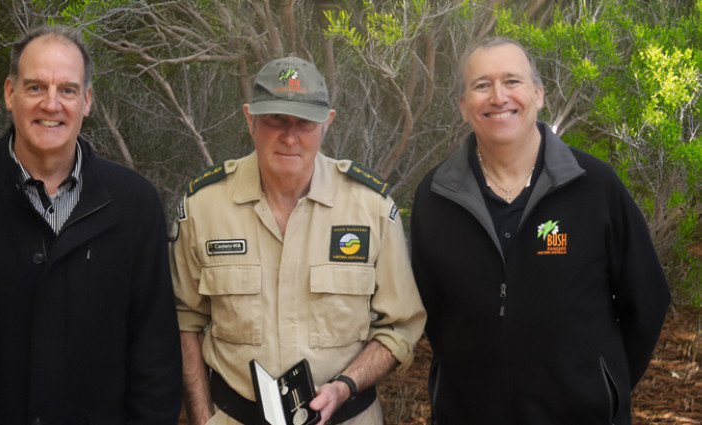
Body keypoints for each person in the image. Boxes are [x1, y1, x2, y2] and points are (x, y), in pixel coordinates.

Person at [0, 26, 182, 424]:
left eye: (68, 90)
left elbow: (155, 359)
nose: (51, 104)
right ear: (10, 93)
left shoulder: (135, 206)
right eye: (36, 87)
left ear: (87, 101)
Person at [410, 36, 671, 425]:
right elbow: (430, 312)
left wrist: (603, 387)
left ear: (538, 94)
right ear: (464, 107)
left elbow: (646, 301)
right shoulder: (436, 197)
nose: (498, 96)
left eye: (512, 81)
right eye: (482, 85)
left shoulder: (595, 186)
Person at [170, 56, 426, 425]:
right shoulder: (204, 208)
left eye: (304, 122)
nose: (290, 136)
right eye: (276, 119)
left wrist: (345, 386)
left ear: (327, 123)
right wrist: (199, 414)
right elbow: (185, 319)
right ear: (250, 119)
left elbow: (400, 326)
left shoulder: (369, 208)